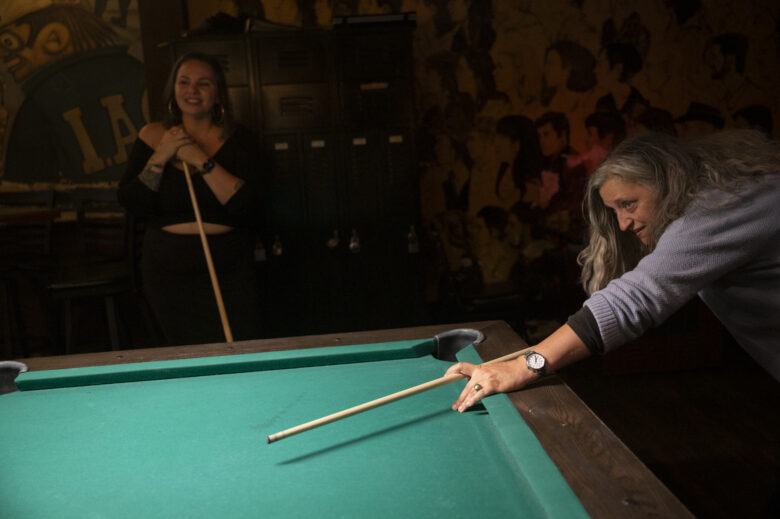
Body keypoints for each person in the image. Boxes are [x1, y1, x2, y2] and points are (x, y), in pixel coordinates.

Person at [447, 129, 780, 411]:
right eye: (614, 210)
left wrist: (523, 366)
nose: (622, 224)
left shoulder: (716, 207)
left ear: (668, 180)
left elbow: (633, 299)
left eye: (628, 204)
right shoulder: (723, 193)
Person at [118, 52, 263, 346]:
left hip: (229, 266)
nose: (192, 90)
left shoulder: (241, 140)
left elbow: (248, 205)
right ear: (173, 89)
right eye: (183, 82)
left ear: (218, 93)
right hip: (167, 270)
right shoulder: (152, 135)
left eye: (203, 83)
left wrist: (200, 159)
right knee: (184, 353)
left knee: (239, 348)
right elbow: (133, 202)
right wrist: (162, 155)